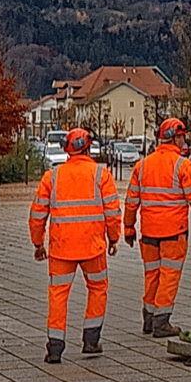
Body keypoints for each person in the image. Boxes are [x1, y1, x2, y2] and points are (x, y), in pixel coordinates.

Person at [29, 127, 121, 362]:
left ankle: (55, 348)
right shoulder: (101, 175)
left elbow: (37, 214)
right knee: (98, 289)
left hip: (61, 248)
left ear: (67, 150)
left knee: (58, 294)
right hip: (93, 247)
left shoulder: (53, 176)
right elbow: (112, 211)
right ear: (88, 147)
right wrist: (114, 238)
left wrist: (38, 244)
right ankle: (91, 341)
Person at [125, 116, 191, 337]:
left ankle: (148, 319)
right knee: (169, 275)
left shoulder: (143, 165)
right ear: (175, 138)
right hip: (173, 233)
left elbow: (131, 202)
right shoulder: (183, 166)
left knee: (152, 275)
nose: (184, 140)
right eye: (182, 136)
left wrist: (128, 228)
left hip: (148, 233)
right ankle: (162, 322)